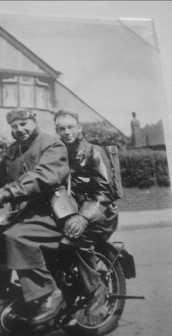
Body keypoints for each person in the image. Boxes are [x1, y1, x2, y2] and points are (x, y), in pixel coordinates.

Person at [0, 109, 69, 324]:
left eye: (24, 124)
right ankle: (1, 293)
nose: (20, 129)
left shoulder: (51, 144)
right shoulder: (13, 151)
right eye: (15, 126)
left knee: (16, 237)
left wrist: (2, 195)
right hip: (24, 214)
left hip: (50, 213)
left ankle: (49, 293)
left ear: (34, 122)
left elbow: (41, 178)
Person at [54, 110, 119, 317]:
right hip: (69, 213)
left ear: (79, 128)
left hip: (99, 213)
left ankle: (96, 289)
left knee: (74, 235)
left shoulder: (94, 151)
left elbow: (105, 192)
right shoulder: (58, 154)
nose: (66, 132)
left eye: (70, 127)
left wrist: (83, 217)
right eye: (61, 128)